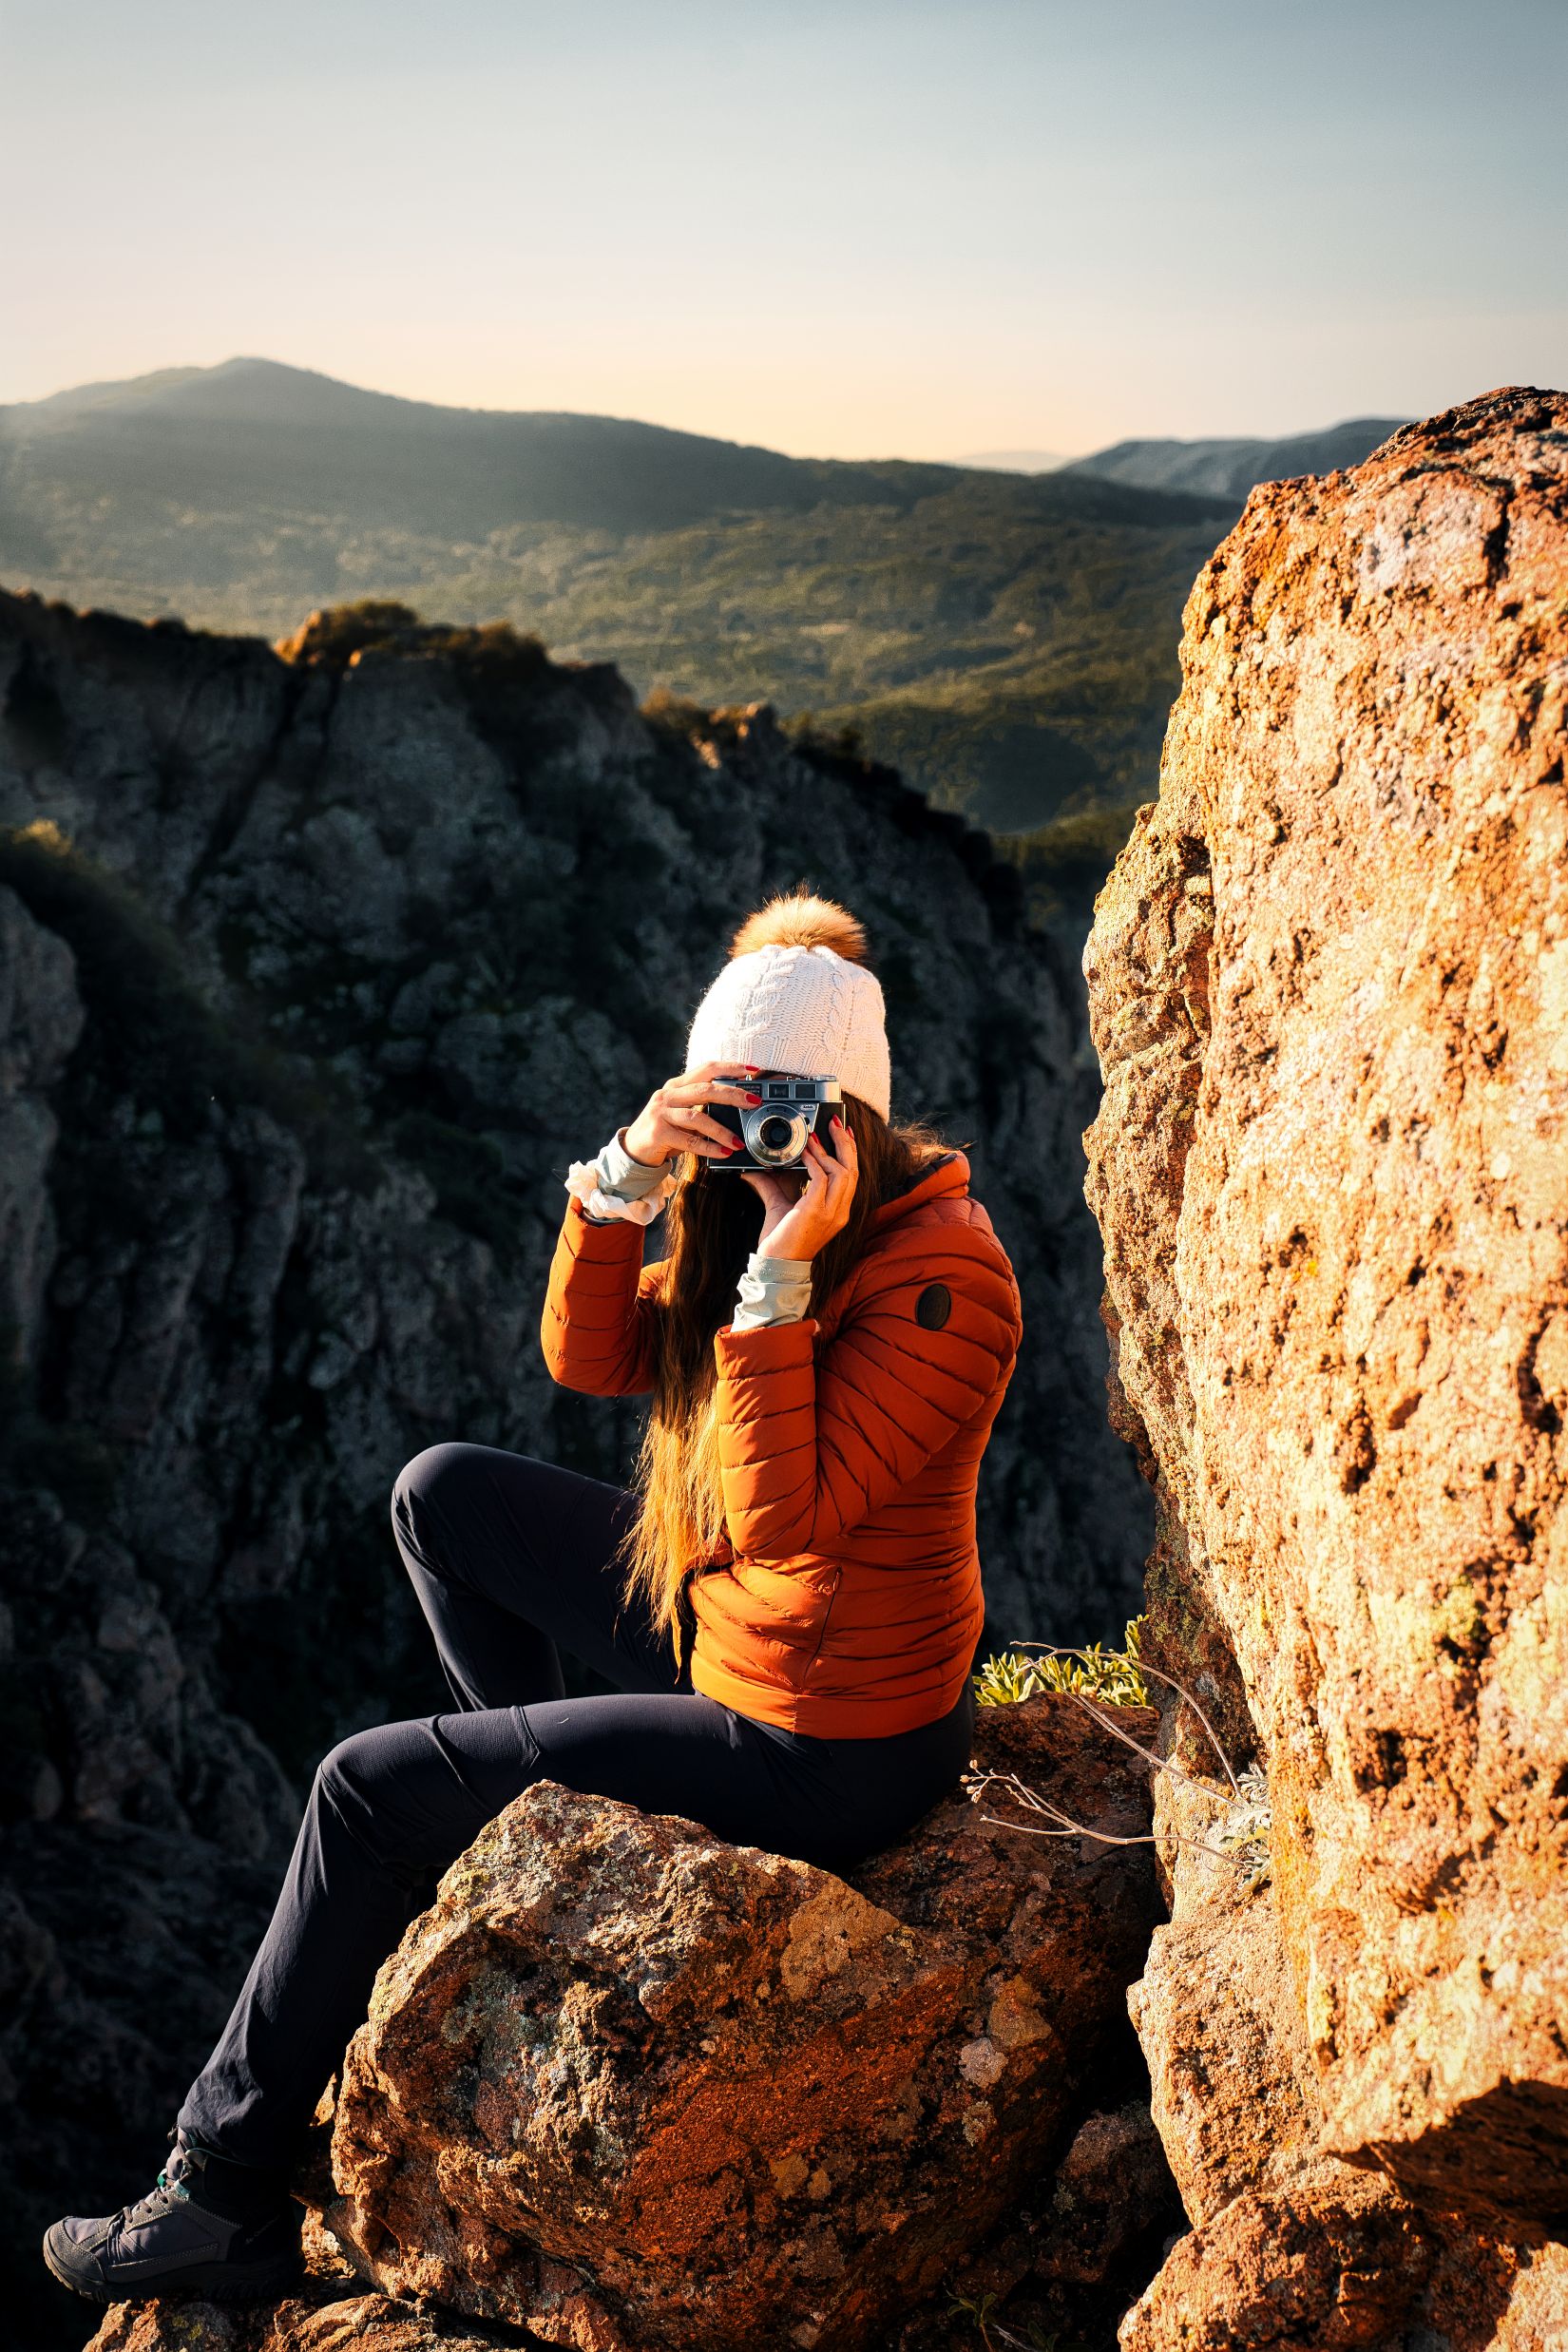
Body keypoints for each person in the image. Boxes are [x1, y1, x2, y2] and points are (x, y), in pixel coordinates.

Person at [44, 889, 1023, 2308]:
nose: (763, 1134)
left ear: (856, 1118)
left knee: (362, 1789)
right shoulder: (733, 1208)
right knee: (440, 1492)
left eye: (790, 1108)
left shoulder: (943, 1280)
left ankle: (221, 2192)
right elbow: (590, 1361)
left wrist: (779, 1286)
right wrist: (626, 1178)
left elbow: (781, 1511)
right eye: (734, 1100)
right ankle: (549, 1827)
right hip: (736, 1632)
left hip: (834, 1738)